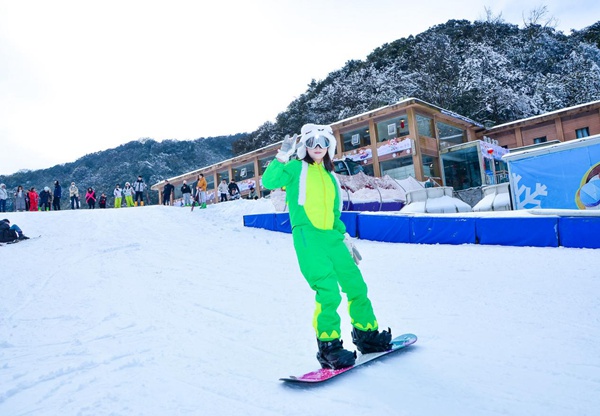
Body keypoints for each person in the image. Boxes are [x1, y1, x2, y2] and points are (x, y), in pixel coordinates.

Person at [262, 123, 392, 370]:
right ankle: (329, 346)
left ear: (330, 146)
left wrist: (344, 237)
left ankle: (366, 334)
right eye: (312, 143)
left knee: (356, 285)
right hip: (308, 236)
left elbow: (334, 212)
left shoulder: (331, 176)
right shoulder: (295, 168)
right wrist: (282, 154)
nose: (318, 147)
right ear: (305, 146)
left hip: (333, 237)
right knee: (328, 291)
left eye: (323, 142)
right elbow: (269, 180)